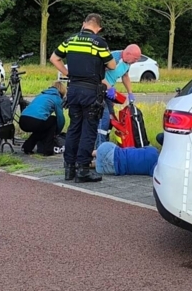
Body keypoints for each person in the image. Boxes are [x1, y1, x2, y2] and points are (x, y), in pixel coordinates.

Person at [50, 13, 116, 183]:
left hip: (73, 90)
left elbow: (54, 58)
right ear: (99, 28)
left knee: (74, 128)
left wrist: (68, 73)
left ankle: (69, 168)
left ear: (84, 24)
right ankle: (83, 170)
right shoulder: (99, 42)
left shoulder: (70, 40)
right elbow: (112, 65)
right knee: (89, 130)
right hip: (91, 92)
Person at [97, 44, 142, 147]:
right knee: (104, 118)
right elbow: (97, 74)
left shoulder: (127, 62)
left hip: (109, 92)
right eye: (135, 59)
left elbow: (125, 76)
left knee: (111, 119)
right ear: (128, 53)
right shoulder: (113, 58)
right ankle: (100, 147)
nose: (135, 61)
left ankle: (106, 142)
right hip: (100, 90)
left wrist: (130, 92)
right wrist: (109, 88)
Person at [19, 81, 65, 156]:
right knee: (53, 121)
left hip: (23, 120)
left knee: (41, 128)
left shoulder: (41, 95)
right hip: (35, 121)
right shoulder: (57, 98)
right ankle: (48, 150)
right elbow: (60, 118)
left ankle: (27, 147)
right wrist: (57, 131)